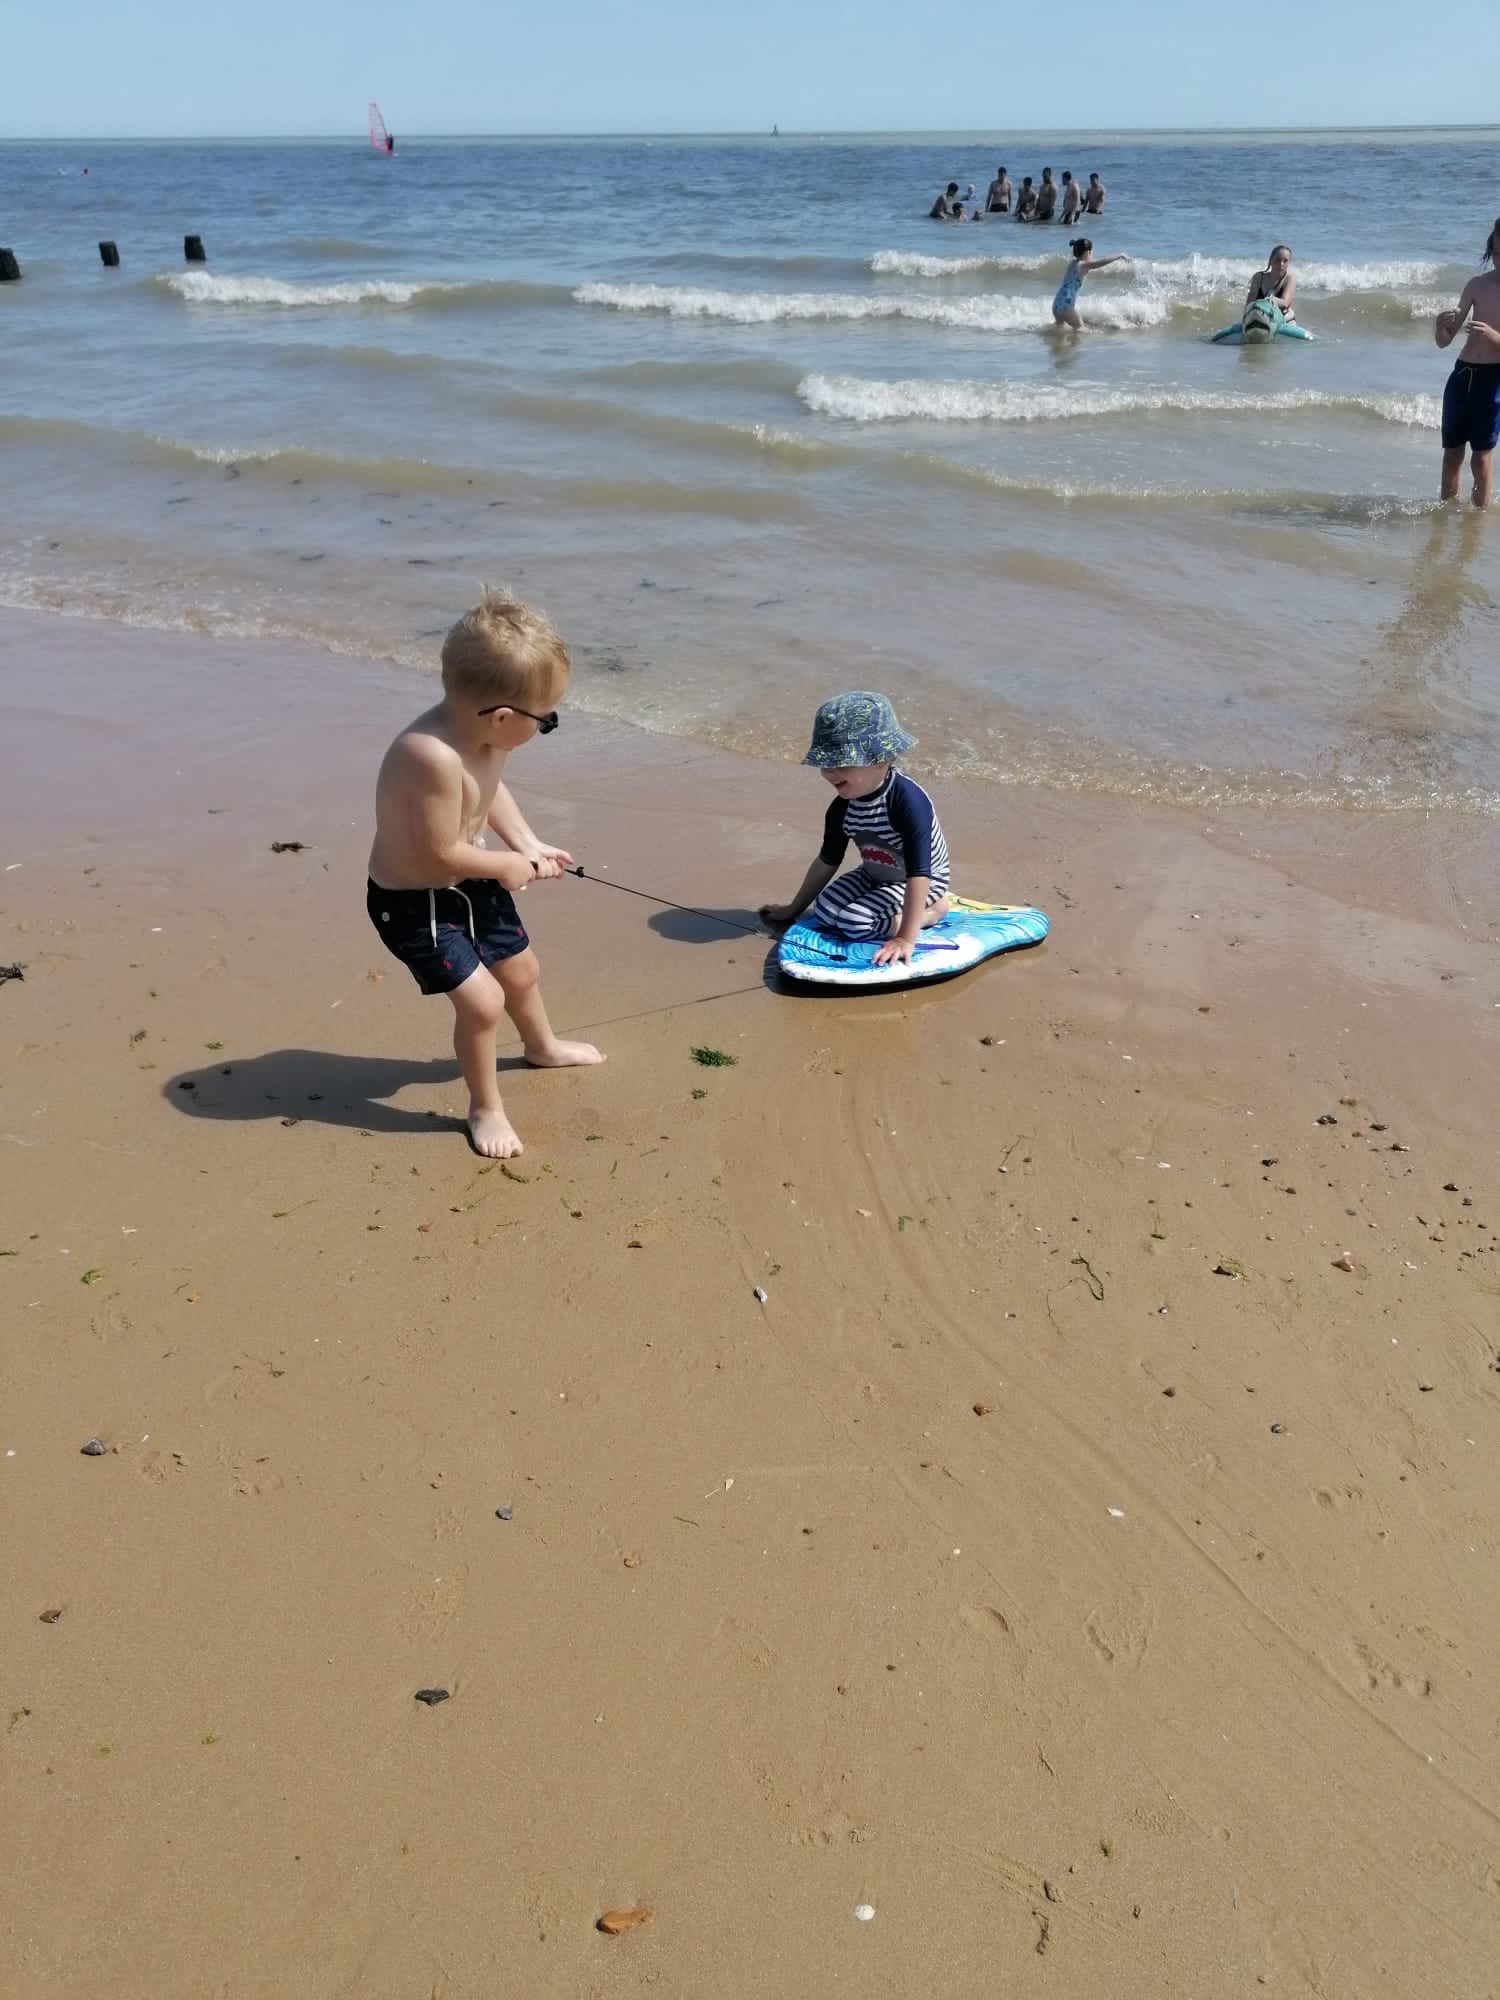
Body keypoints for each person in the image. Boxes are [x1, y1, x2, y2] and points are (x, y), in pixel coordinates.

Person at [366, 589, 604, 1157]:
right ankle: (484, 1107)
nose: (544, 727)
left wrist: (526, 842)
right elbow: (439, 853)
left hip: (469, 877)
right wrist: (507, 866)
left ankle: (541, 1045)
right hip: (414, 900)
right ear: (503, 717)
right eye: (545, 721)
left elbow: (490, 792)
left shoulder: (485, 738)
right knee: (483, 1003)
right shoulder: (432, 756)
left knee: (521, 971)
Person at [758, 693, 950, 966]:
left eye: (843, 763)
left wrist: (906, 938)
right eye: (826, 763)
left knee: (853, 920)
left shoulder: (907, 801)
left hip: (923, 879)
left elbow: (920, 872)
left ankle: (933, 911)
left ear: (881, 759)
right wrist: (793, 909)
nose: (831, 773)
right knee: (825, 910)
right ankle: (897, 913)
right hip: (875, 873)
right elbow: (827, 861)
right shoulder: (841, 808)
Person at [1434, 219, 1500, 508]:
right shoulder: (1476, 284)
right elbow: (1444, 341)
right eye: (1497, 252)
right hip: (1462, 375)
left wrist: (1493, 336)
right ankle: (1447, 516)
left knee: (1481, 457)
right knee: (1451, 453)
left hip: (1492, 379)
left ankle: (1478, 521)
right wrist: (1440, 326)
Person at [1052, 237, 1131, 329]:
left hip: (1056, 305)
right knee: (1080, 329)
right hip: (1066, 307)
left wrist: (1077, 243)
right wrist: (1119, 256)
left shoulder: (1073, 262)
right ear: (1087, 252)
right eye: (1091, 252)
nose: (1092, 255)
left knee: (1059, 330)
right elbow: (1101, 262)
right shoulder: (1083, 265)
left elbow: (1077, 254)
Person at [1246, 244, 1296, 323]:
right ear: (1271, 260)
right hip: (1260, 318)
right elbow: (1249, 304)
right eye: (1277, 260)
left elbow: (1285, 303)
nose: (1281, 264)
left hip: (1284, 320)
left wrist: (1273, 300)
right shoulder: (1258, 278)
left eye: (1285, 261)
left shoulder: (1289, 279)